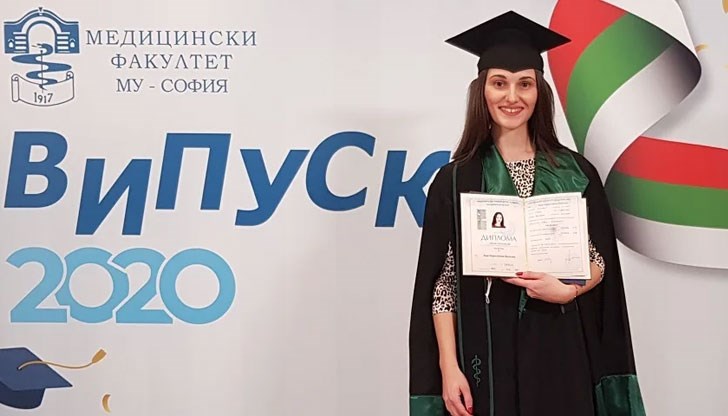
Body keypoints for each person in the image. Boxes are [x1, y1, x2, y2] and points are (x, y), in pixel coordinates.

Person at [408, 11, 645, 416]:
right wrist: (448, 366)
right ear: (482, 91)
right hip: (487, 347)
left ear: (539, 93)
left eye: (525, 84)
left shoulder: (574, 172)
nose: (512, 97)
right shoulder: (456, 180)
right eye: (499, 83)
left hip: (560, 343)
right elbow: (443, 283)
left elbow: (599, 258)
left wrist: (569, 290)